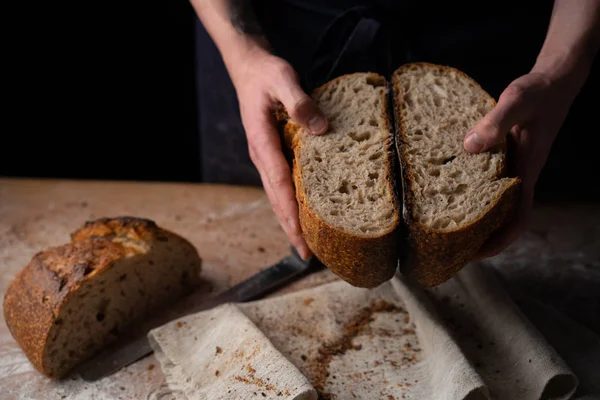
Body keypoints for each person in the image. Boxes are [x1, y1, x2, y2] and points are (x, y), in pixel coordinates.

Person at [191, 0, 600, 260]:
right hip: (277, 43)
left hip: (508, 45)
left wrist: (560, 69)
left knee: (549, 250)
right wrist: (243, 54)